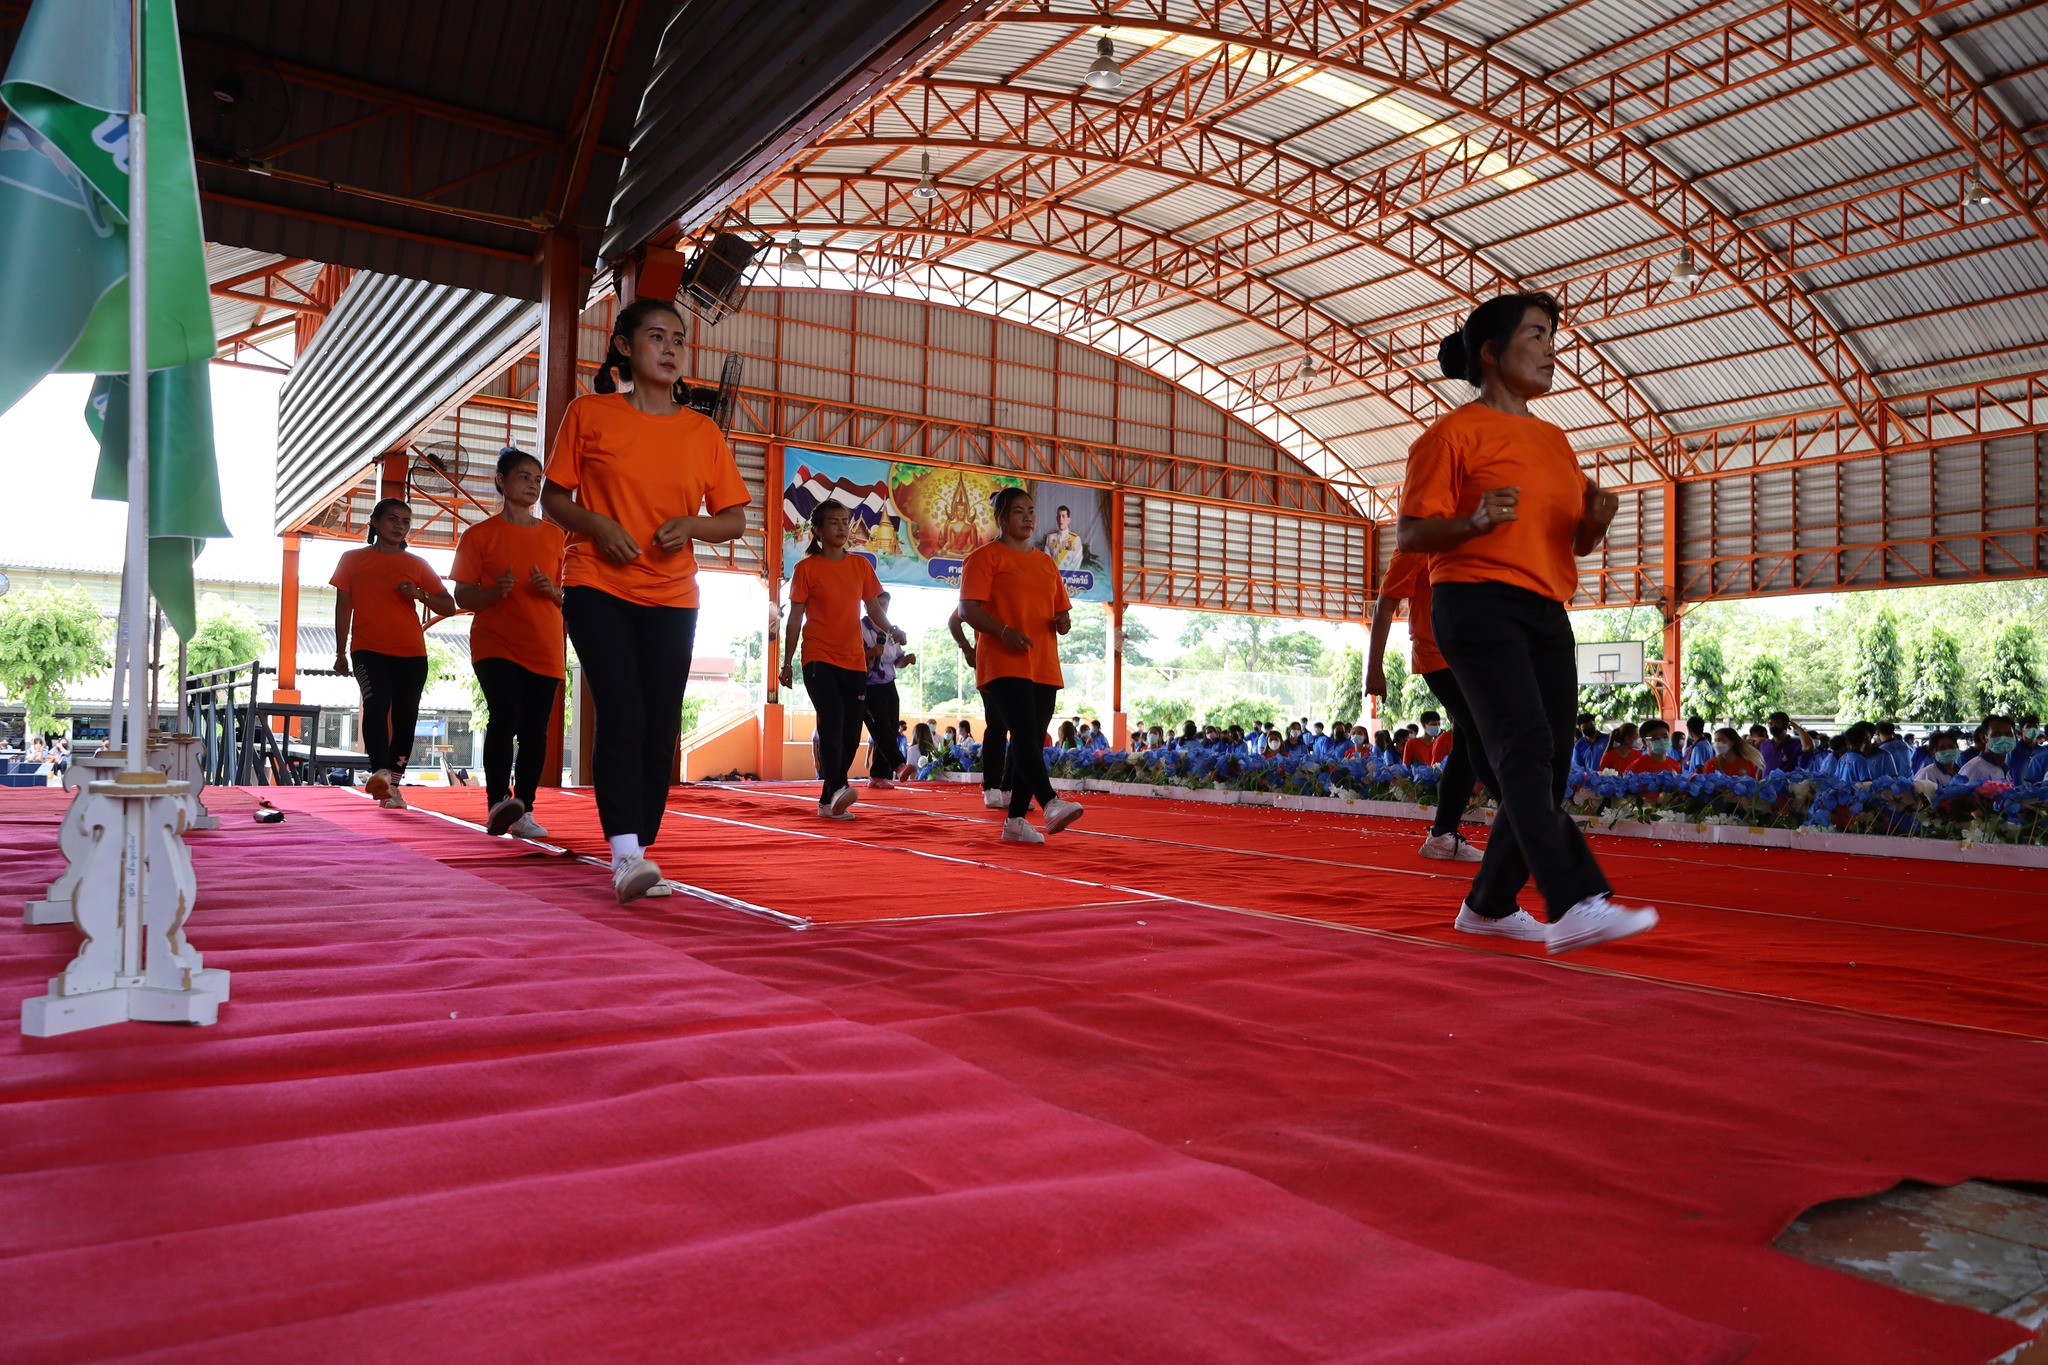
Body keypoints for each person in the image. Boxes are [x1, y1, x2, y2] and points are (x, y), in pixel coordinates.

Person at [1398, 290, 1655, 952]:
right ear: (1490, 352)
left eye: (1550, 337)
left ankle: (1487, 903)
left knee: (1546, 768)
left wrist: (1594, 522)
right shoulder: (1451, 435)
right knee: (1525, 744)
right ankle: (1574, 898)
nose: (1550, 350)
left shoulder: (1554, 440)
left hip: (1546, 607)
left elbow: (1574, 544)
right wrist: (1476, 521)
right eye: (1536, 336)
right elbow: (1412, 531)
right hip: (1476, 600)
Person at [542, 296, 751, 903]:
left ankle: (639, 838)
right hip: (597, 584)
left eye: (677, 340)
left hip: (673, 594)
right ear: (626, 347)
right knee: (624, 713)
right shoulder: (589, 414)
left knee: (661, 726)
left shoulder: (701, 431)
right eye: (656, 337)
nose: (669, 348)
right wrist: (596, 526)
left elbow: (734, 519)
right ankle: (625, 852)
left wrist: (691, 526)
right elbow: (555, 498)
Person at [451, 447, 566, 838]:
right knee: (505, 717)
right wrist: (492, 594)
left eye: (537, 479)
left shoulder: (556, 537)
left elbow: (573, 598)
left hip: (544, 643)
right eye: (524, 476)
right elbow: (462, 596)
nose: (532, 484)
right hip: (495, 642)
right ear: (501, 481)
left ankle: (524, 810)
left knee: (536, 730)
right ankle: (498, 802)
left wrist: (552, 591)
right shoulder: (478, 536)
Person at [960, 487, 1083, 842]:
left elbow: (1061, 613)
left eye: (1031, 511)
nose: (1028, 517)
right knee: (1026, 734)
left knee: (1031, 741)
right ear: (1001, 518)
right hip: (1001, 661)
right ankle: (1050, 802)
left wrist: (1063, 623)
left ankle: (1015, 821)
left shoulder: (1045, 562)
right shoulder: (984, 558)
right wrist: (1002, 631)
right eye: (1019, 512)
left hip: (1043, 663)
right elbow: (968, 610)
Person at [331, 497, 457, 810]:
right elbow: (343, 606)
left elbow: (449, 605)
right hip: (367, 648)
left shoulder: (416, 564)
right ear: (375, 522)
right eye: (392, 519)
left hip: (411, 652)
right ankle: (380, 772)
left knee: (406, 717)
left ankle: (394, 786)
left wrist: (420, 594)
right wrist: (340, 651)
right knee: (377, 704)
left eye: (405, 522)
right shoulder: (351, 559)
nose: (399, 526)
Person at [781, 501, 895, 821]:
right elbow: (794, 619)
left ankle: (828, 799)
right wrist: (787, 663)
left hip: (853, 659)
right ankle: (840, 787)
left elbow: (874, 611)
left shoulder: (861, 566)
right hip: (818, 656)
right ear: (817, 530)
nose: (842, 528)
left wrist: (892, 628)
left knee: (850, 733)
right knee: (831, 720)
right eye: (834, 522)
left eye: (846, 522)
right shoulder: (806, 569)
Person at [860, 591, 914, 791]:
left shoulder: (892, 631)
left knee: (890, 728)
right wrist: (871, 652)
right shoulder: (859, 627)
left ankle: (877, 775)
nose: (883, 608)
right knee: (880, 727)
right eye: (879, 604)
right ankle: (899, 765)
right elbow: (851, 654)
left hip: (888, 684)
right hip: (867, 685)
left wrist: (905, 660)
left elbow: (896, 660)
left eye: (885, 605)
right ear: (868, 606)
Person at [1958, 716, 2020, 783]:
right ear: (1984, 738)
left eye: (2008, 734)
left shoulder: (2003, 767)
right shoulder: (1974, 768)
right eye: (1997, 734)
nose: (2003, 739)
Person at [1040, 504, 1085, 569]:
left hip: (1069, 577)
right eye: (1059, 516)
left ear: (1069, 520)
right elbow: (1047, 559)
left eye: (1063, 516)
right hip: (1054, 575)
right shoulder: (1050, 538)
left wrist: (1066, 576)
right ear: (1056, 518)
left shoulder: (1075, 539)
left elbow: (1076, 561)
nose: (1061, 519)